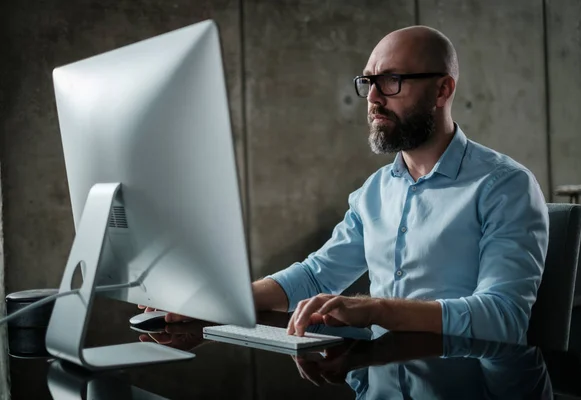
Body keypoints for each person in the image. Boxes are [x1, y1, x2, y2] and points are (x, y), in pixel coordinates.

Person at [160, 25, 549, 344]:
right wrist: (213, 302)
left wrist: (376, 308)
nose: (374, 99)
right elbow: (316, 276)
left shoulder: (504, 186)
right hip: (380, 373)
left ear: (442, 90)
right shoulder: (374, 192)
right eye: (369, 82)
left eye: (392, 81)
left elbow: (503, 317)